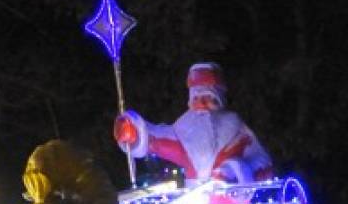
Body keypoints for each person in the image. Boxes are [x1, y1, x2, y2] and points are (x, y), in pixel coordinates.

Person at [113, 62, 273, 184]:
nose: (202, 103)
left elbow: (261, 162)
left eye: (208, 97)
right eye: (197, 98)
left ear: (218, 99)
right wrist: (134, 131)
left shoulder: (236, 128)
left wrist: (236, 170)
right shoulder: (184, 129)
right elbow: (156, 138)